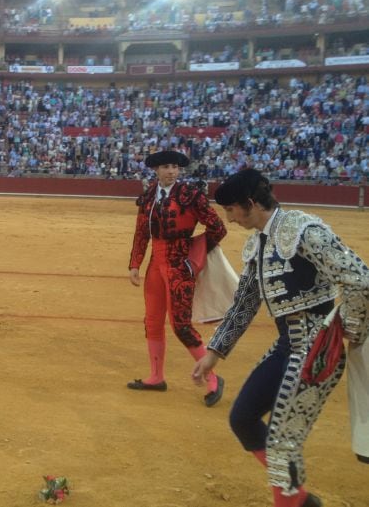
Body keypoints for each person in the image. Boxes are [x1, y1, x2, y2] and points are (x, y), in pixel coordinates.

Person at [192, 168, 369, 507]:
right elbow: (243, 305)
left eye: (231, 210)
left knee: (281, 441)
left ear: (250, 203)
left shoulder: (304, 231)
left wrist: (349, 330)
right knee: (242, 418)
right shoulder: (257, 243)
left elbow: (360, 281)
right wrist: (213, 353)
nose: (229, 219)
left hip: (318, 349)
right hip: (287, 344)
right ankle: (300, 500)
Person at [127, 150, 228, 406]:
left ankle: (213, 377)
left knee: (181, 325)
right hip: (155, 267)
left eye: (174, 167)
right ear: (156, 170)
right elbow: (142, 233)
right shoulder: (149, 196)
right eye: (166, 167)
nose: (171, 171)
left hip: (179, 267)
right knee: (152, 321)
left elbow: (218, 227)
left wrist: (196, 251)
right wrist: (135, 263)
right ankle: (156, 376)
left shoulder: (190, 195)